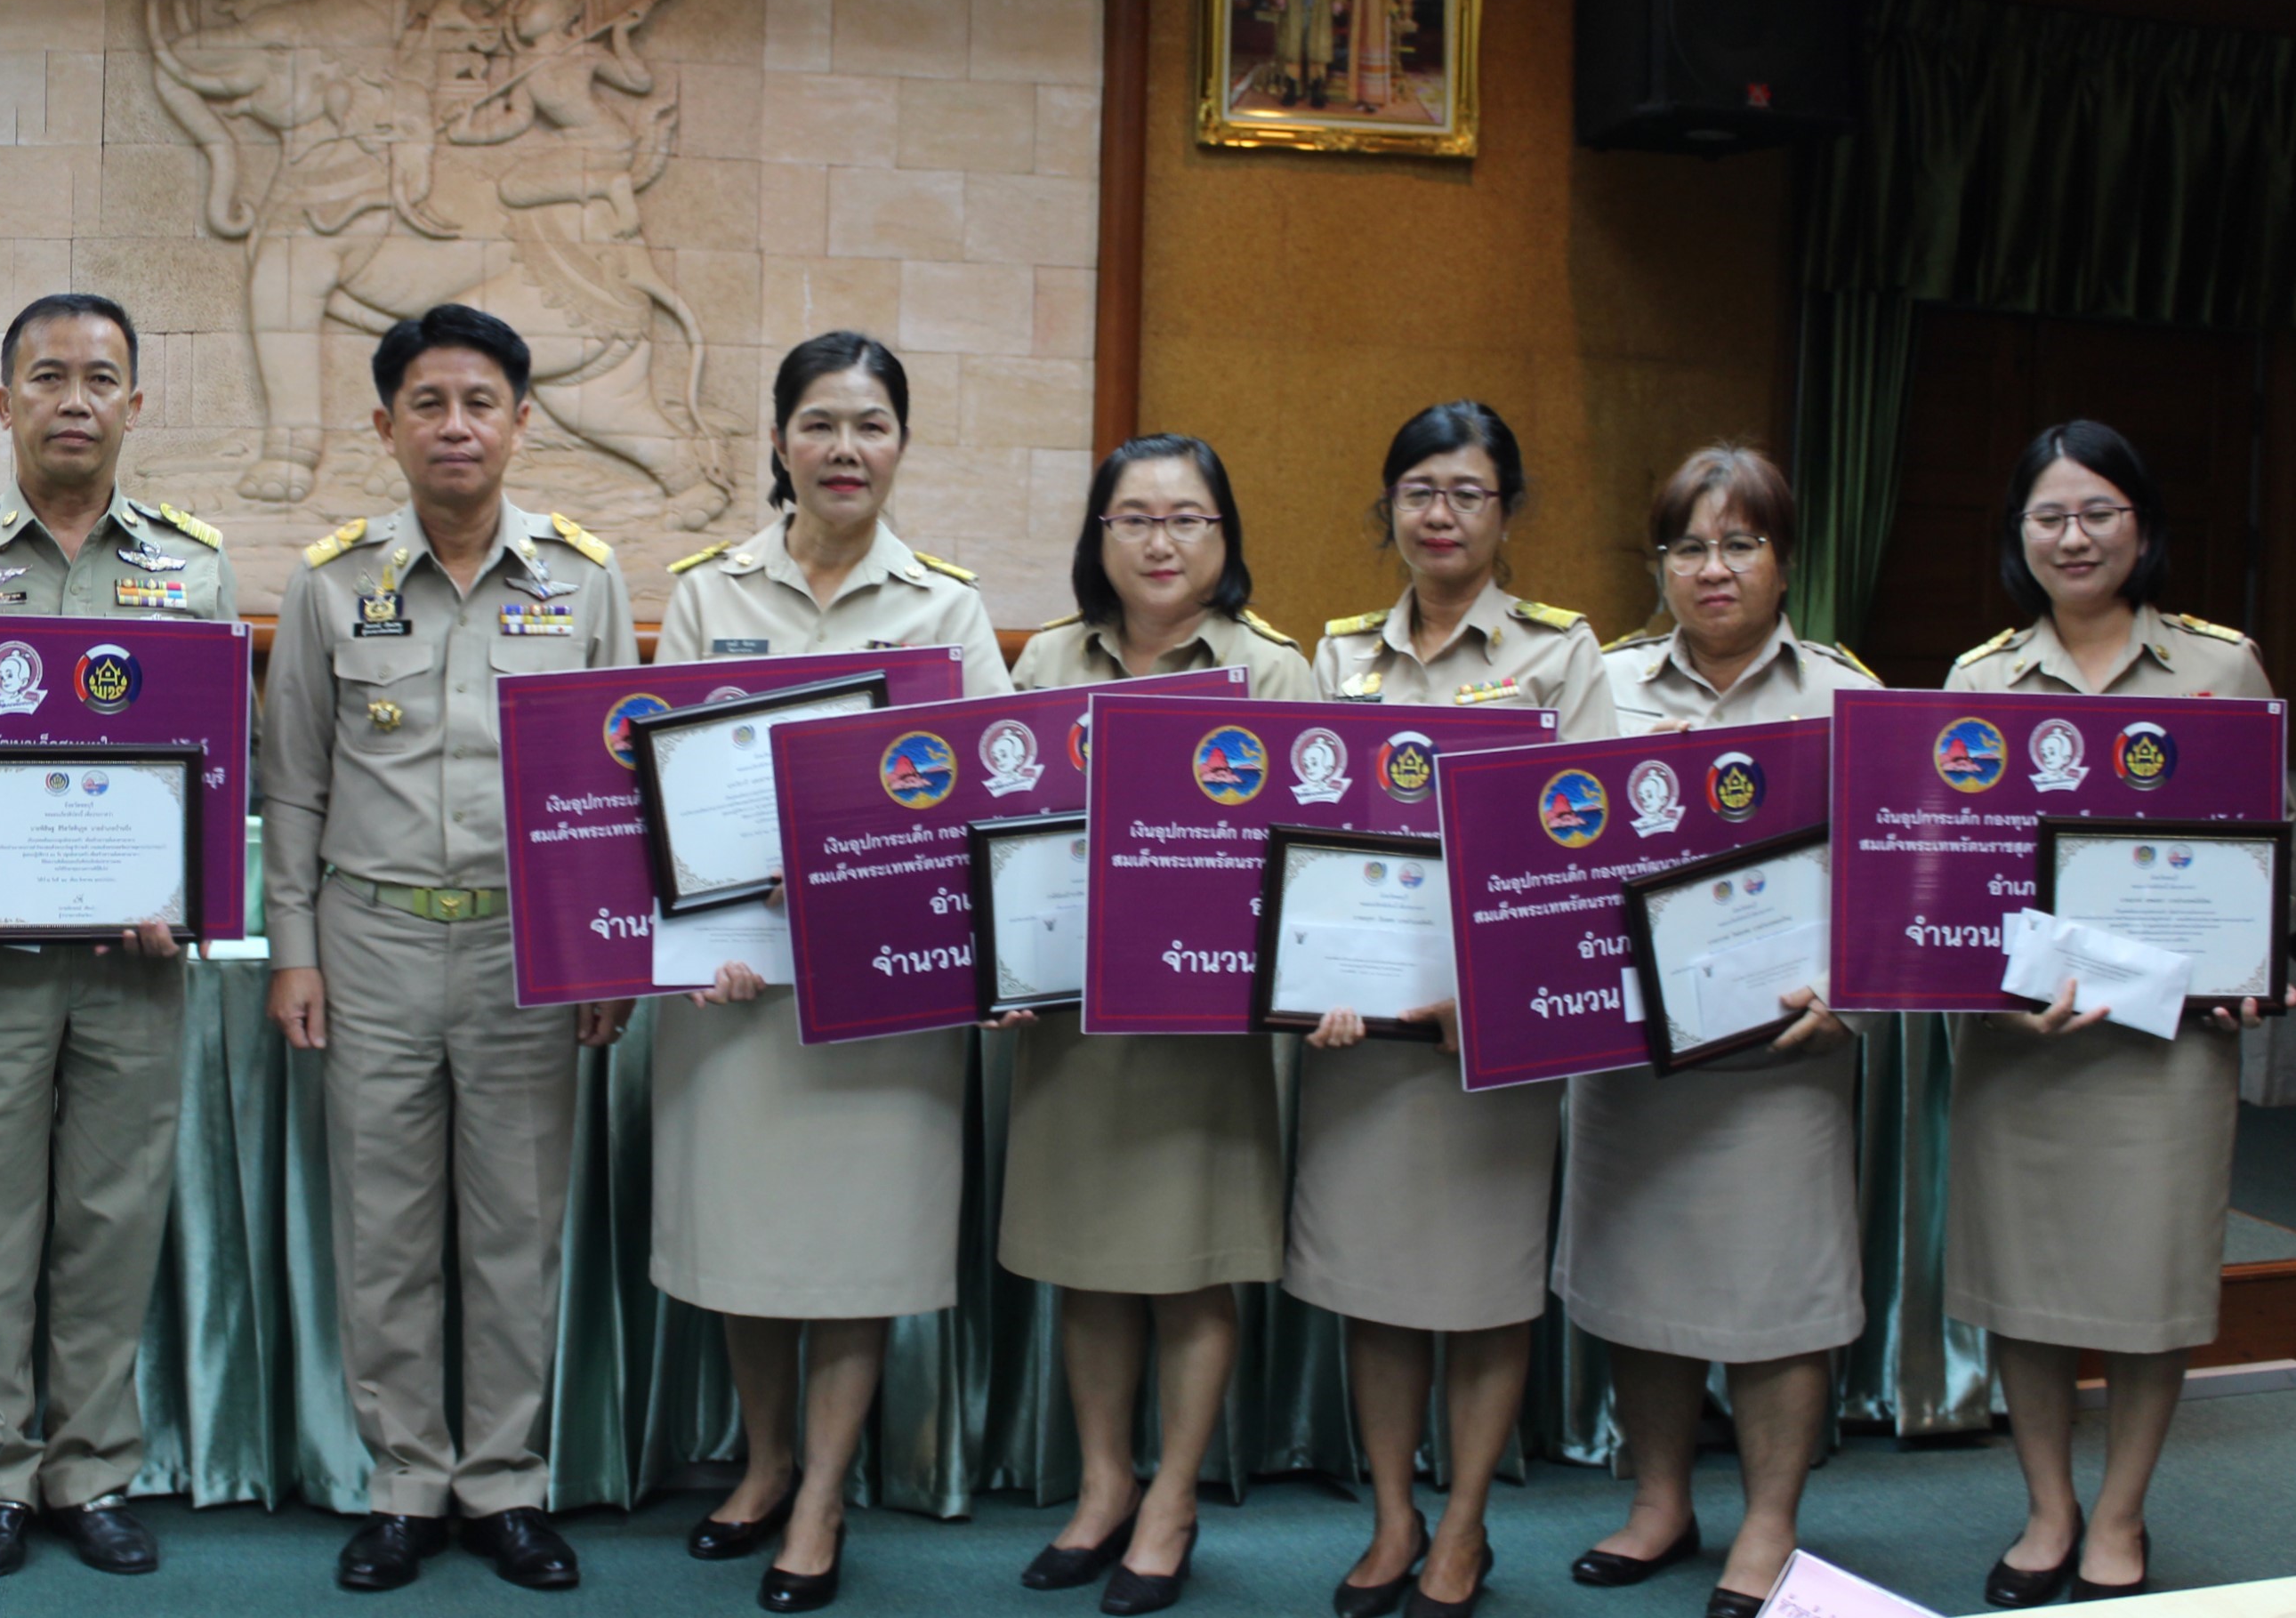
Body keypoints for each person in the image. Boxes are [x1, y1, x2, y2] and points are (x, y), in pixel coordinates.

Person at [260, 303, 635, 1594]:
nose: (456, 425)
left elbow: (614, 788)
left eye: (481, 402)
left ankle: (507, 1485)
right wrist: (292, 952)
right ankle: (406, 1484)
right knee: (386, 1227)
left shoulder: (586, 580)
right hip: (367, 945)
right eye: (427, 403)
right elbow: (293, 789)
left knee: (515, 1228)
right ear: (386, 426)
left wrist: (601, 954)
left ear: (522, 422)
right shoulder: (329, 582)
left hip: (524, 952)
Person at [0, 294, 231, 1580]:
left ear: (135, 404)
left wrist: (191, 897)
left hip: (136, 963)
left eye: (100, 379)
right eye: (47, 377)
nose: (73, 399)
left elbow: (214, 773)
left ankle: (89, 1473)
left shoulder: (194, 567)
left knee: (111, 1215)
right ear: (3, 403)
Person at [648, 333, 1000, 1614]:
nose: (844, 449)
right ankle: (766, 1458)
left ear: (900, 446)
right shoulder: (705, 592)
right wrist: (702, 939)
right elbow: (661, 795)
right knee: (749, 1238)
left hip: (879, 993)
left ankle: (821, 1494)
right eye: (819, 424)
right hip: (738, 977)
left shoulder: (948, 608)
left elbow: (986, 805)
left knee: (856, 1246)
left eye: (870, 426)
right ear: (780, 445)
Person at [1943, 421, 2288, 1607]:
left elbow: (2256, 860)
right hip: (2022, 1050)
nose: (2073, 536)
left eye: (2098, 512)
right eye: (2049, 516)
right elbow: (1943, 876)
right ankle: (2046, 1512)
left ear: (2140, 527)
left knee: (2149, 1295)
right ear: (2018, 537)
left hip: (2165, 1049)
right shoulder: (1977, 682)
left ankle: (2122, 1516)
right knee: (2028, 1288)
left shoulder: (2219, 669)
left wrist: (2251, 960)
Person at [1298, 400, 1617, 1618]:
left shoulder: (1558, 654)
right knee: (1376, 1292)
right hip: (1360, 1045)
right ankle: (1392, 1519)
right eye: (1419, 491)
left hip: (1489, 1039)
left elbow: (1584, 852)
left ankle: (1465, 1529)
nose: (1440, 514)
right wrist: (1311, 982)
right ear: (1387, 509)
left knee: (1482, 1293)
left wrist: (1478, 992)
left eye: (1467, 492)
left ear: (1505, 510)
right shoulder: (1335, 657)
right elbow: (1299, 841)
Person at [993, 433, 1313, 1614]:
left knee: (1187, 1268)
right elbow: (1006, 837)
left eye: (1187, 518)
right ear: (1098, 538)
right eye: (1134, 518)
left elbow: (1308, 856)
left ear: (1224, 539)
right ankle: (1100, 1485)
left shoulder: (1270, 672)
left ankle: (1171, 1499)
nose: (1161, 540)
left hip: (1201, 1023)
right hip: (1074, 1022)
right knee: (1088, 1264)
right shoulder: (1046, 667)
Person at [1559, 447, 1873, 1618]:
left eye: (1740, 542)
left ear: (1786, 560)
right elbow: (1553, 853)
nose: (1714, 568)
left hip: (1779, 1068)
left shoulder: (1848, 695)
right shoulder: (1603, 682)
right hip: (1635, 1058)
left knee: (1771, 1298)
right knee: (1644, 1280)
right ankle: (1658, 1503)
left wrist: (1854, 988)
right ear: (1660, 565)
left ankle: (1771, 1525)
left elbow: (1905, 887)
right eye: (1688, 545)